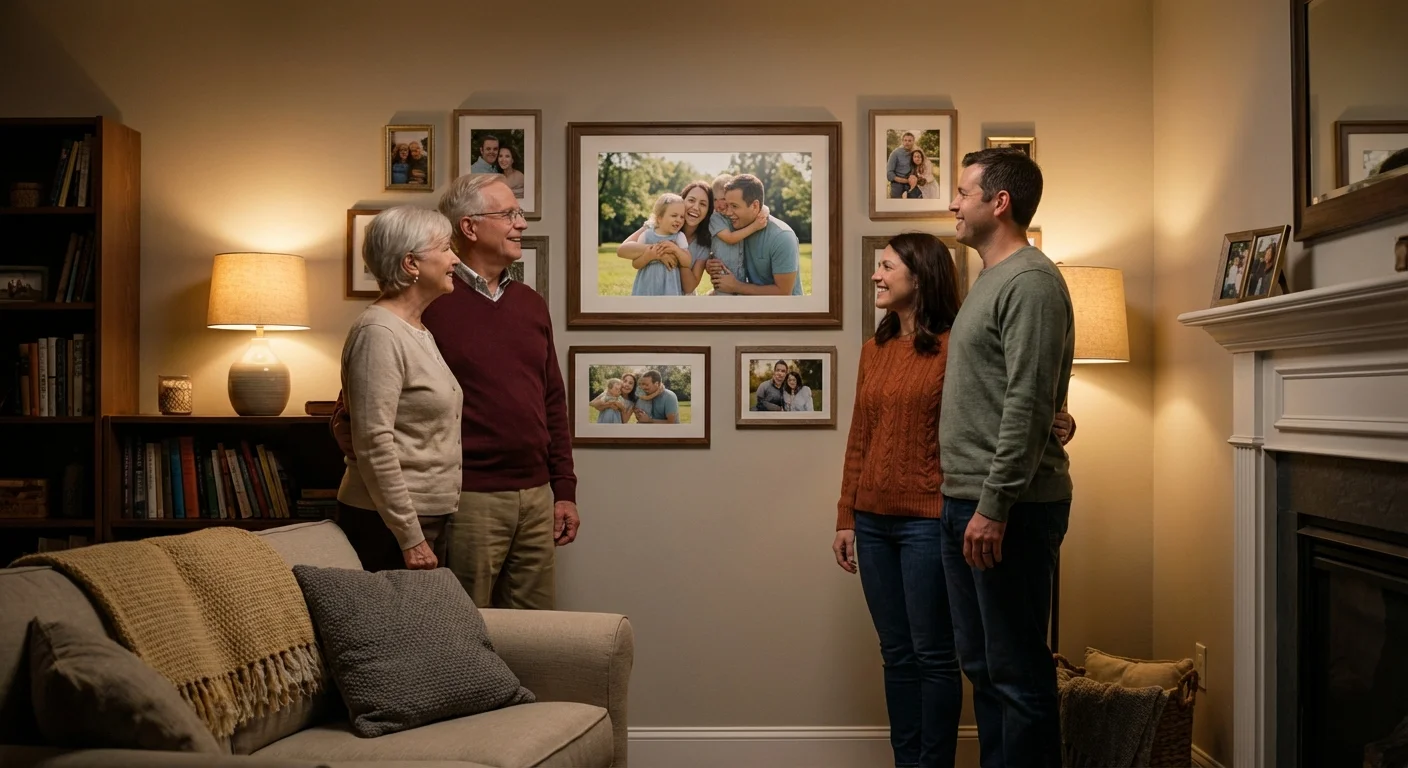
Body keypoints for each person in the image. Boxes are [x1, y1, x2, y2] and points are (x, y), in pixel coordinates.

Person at [832, 231, 1076, 768]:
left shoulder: (954, 346)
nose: (876, 275)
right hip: (872, 523)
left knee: (934, 656)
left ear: (920, 276)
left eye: (887, 266)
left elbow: (1000, 404)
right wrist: (846, 516)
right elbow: (860, 436)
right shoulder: (872, 350)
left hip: (930, 518)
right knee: (896, 656)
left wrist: (1059, 420)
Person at [940, 148, 1075, 767]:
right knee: (985, 670)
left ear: (1000, 203)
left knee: (1018, 677)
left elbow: (1026, 399)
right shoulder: (990, 281)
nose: (954, 204)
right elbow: (1022, 393)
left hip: (1007, 510)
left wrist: (994, 507)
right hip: (965, 501)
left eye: (963, 192)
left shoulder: (1031, 281)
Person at [336, 206, 463, 572]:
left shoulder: (417, 330)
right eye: (445, 248)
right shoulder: (379, 333)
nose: (454, 259)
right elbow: (374, 443)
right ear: (411, 263)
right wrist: (410, 536)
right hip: (389, 522)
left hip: (424, 515)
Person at [708, 174, 802, 296]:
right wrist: (710, 263)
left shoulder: (782, 237)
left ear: (755, 206)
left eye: (734, 206)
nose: (728, 212)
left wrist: (736, 286)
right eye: (727, 205)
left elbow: (783, 292)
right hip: (753, 304)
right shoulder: (739, 228)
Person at [624, 193, 697, 296]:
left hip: (670, 288)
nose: (679, 220)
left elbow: (687, 262)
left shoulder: (679, 237)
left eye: (682, 217)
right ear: (659, 218)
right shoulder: (646, 235)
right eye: (674, 215)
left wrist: (676, 249)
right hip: (647, 286)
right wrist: (649, 256)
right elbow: (635, 264)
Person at [887, 132, 919, 199]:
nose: (907, 142)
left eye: (910, 141)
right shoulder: (895, 153)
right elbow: (889, 174)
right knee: (896, 205)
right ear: (902, 141)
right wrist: (906, 181)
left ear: (913, 142)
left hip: (911, 184)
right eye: (905, 140)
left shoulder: (915, 153)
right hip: (897, 184)